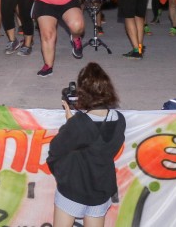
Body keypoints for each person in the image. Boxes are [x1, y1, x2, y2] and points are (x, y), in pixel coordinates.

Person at [47, 62, 125, 227]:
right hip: (101, 191)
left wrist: (70, 123)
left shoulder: (79, 124)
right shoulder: (119, 120)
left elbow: (55, 150)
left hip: (73, 191)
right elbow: (102, 146)